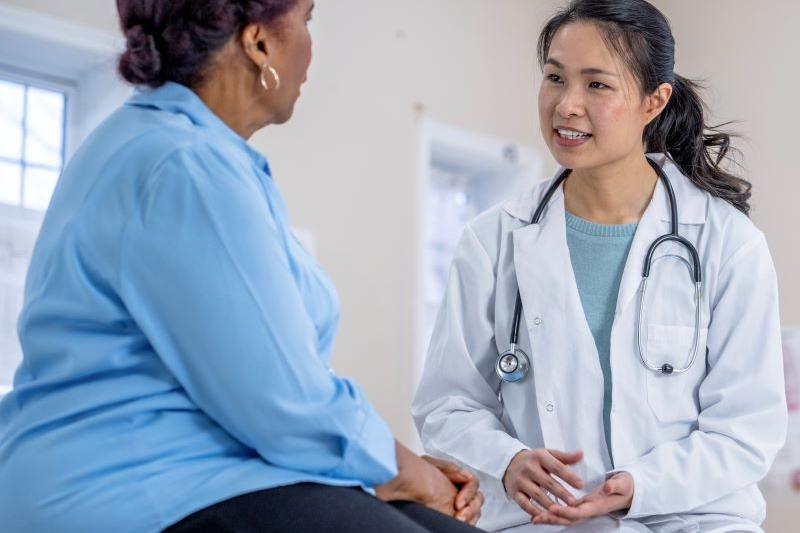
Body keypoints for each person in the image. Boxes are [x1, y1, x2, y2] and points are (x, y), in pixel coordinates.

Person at [0, 1, 484, 532]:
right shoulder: (182, 164)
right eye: (307, 20)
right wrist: (408, 471)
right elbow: (285, 403)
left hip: (207, 471)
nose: (309, 47)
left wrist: (390, 470)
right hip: (128, 485)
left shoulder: (186, 152)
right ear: (258, 43)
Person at [412, 0, 786, 531]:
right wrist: (507, 459)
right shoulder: (494, 240)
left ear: (654, 101)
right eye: (555, 78)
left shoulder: (727, 243)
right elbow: (446, 404)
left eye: (597, 85)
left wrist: (641, 485)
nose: (567, 105)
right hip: (545, 520)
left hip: (692, 520)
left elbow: (745, 429)